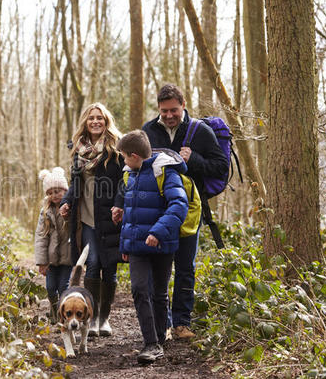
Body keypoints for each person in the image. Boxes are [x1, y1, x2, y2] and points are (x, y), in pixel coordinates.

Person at [142, 84, 228, 339]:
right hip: (157, 213)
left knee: (185, 268)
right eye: (164, 111)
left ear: (183, 105)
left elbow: (220, 166)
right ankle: (163, 324)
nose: (169, 116)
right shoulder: (148, 130)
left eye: (174, 110)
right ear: (158, 109)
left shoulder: (199, 131)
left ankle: (181, 323)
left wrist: (194, 160)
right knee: (159, 270)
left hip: (190, 212)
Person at [111, 130, 189, 364]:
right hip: (137, 246)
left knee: (158, 294)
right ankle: (150, 342)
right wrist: (125, 241)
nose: (123, 161)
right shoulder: (129, 174)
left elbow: (179, 205)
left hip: (162, 244)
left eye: (124, 156)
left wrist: (157, 231)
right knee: (139, 288)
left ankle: (158, 340)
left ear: (134, 156)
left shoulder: (165, 171)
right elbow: (132, 213)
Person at [59, 102, 124, 337]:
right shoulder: (78, 150)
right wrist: (67, 201)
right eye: (91, 118)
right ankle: (92, 316)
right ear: (85, 122)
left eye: (100, 118)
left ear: (106, 122)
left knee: (110, 266)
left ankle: (104, 319)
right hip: (85, 217)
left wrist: (119, 204)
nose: (95, 121)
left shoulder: (116, 149)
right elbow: (75, 183)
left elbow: (125, 183)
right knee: (93, 263)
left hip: (110, 217)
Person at [34, 167, 72, 324]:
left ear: (65, 190)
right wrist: (42, 261)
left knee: (64, 287)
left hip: (68, 257)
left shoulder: (71, 208)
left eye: (57, 191)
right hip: (50, 259)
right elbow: (41, 237)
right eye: (50, 193)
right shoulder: (45, 212)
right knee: (50, 288)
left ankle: (62, 314)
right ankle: (54, 309)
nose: (54, 195)